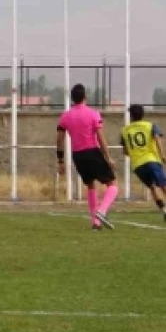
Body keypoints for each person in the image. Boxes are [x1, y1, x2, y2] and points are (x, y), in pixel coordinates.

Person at [57, 84, 117, 230]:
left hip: (77, 155)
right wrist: (108, 156)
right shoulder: (93, 113)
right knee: (112, 184)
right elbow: (100, 137)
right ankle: (101, 211)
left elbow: (59, 139)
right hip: (92, 152)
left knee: (90, 185)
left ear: (72, 98)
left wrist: (60, 160)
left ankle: (95, 224)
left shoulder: (65, 116)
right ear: (85, 97)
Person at [120, 104, 166, 219]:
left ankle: (164, 210)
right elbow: (157, 138)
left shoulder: (125, 131)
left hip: (138, 166)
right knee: (163, 186)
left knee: (152, 187)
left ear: (131, 116)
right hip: (151, 160)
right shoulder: (150, 126)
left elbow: (125, 152)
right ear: (143, 114)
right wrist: (162, 155)